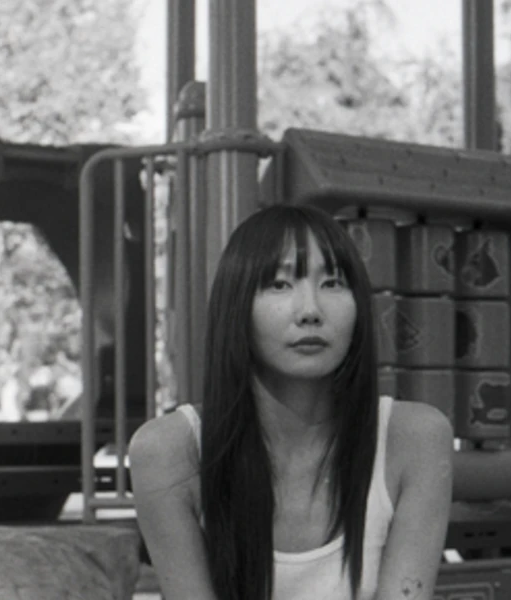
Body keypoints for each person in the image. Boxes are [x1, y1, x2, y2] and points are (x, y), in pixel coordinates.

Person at [129, 204, 453, 600]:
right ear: (237, 307)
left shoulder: (415, 438)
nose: (311, 311)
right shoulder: (168, 451)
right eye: (280, 284)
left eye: (332, 282)